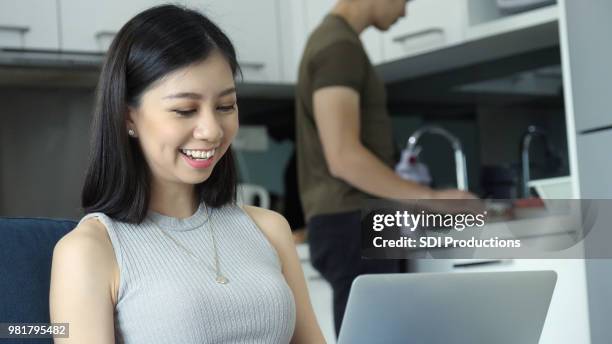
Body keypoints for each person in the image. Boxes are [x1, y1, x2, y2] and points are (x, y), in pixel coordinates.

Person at [49, 5, 325, 344]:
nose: (211, 130)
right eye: (184, 110)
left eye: (226, 106)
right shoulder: (89, 250)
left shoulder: (269, 229)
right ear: (128, 117)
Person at [295, 0, 476, 336]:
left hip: (351, 225)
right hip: (352, 224)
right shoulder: (339, 48)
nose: (405, 12)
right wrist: (429, 198)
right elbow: (343, 156)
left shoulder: (335, 42)